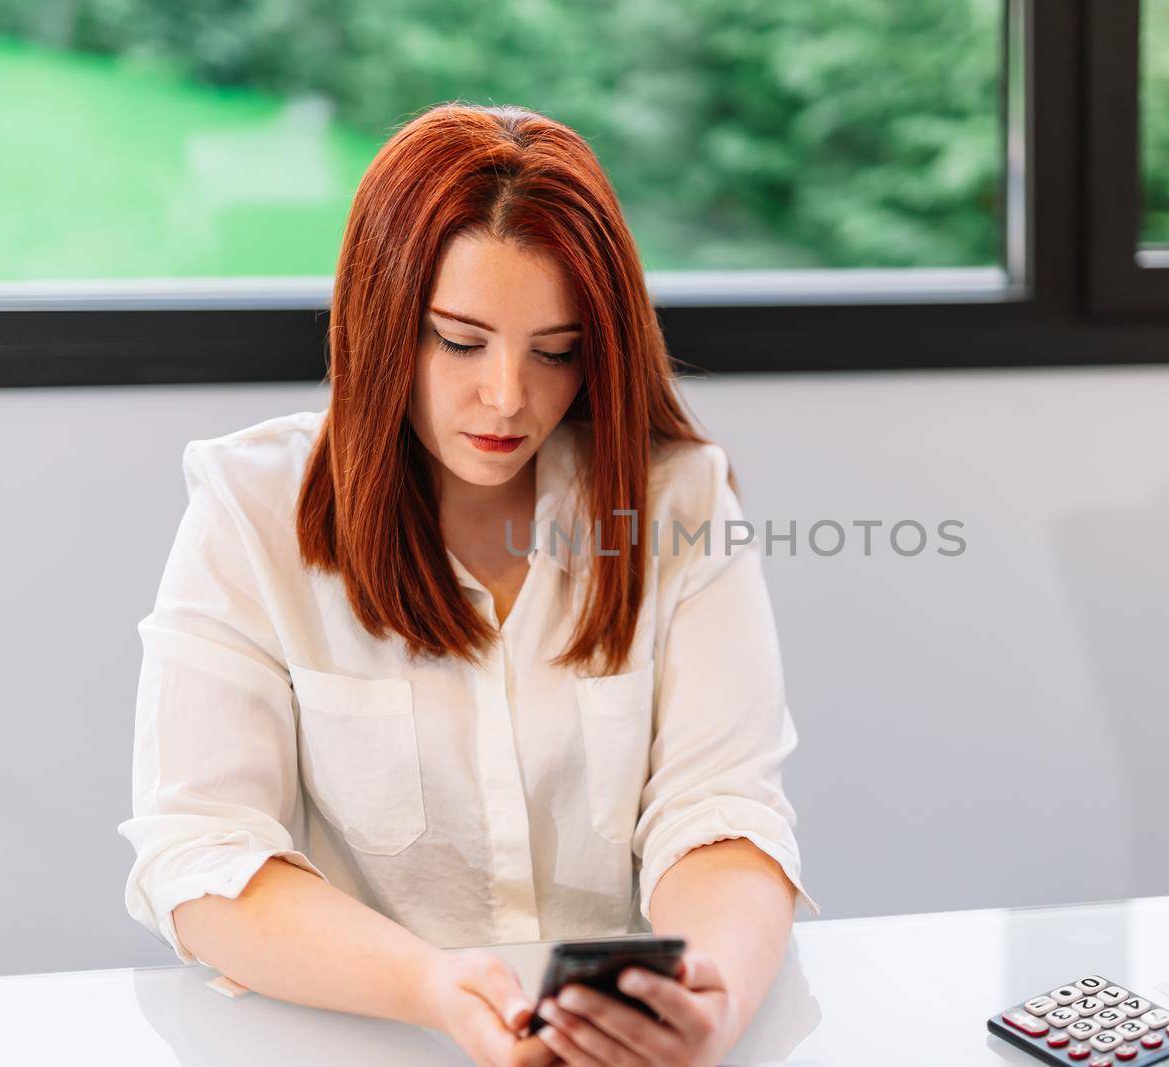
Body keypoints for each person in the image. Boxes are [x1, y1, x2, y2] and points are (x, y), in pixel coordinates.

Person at [118, 101, 819, 1067]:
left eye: (556, 350)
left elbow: (722, 810)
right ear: (384, 321)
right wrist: (432, 987)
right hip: (359, 1040)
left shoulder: (677, 502)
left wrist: (710, 1004)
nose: (507, 396)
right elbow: (199, 852)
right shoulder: (250, 508)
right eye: (460, 339)